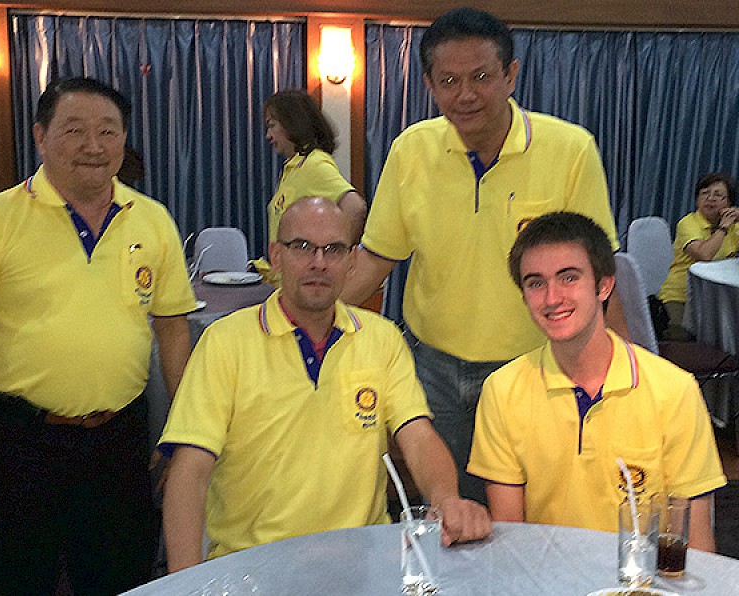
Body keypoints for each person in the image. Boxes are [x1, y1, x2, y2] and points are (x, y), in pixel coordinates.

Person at [341, 7, 619, 504]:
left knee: (535, 506)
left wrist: (623, 375)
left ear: (511, 75)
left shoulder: (569, 149)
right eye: (448, 81)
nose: (465, 94)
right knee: (451, 508)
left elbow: (598, 276)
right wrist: (299, 315)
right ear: (430, 85)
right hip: (434, 369)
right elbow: (375, 260)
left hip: (535, 366)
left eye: (481, 77)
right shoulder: (411, 151)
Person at [0, 77, 196, 594]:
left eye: (108, 131)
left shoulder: (152, 220)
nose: (93, 145)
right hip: (22, 443)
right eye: (74, 129)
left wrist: (183, 440)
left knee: (121, 581)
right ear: (40, 136)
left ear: (124, 139)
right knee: (14, 582)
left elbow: (173, 333)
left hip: (120, 441)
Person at [160, 197, 491, 571]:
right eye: (302, 246)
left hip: (364, 563)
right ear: (276, 256)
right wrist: (182, 584)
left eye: (333, 250)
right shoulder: (224, 343)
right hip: (253, 568)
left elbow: (418, 437)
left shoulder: (381, 338)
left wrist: (445, 499)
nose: (318, 262)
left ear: (351, 262)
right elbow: (191, 471)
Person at [468, 211, 726, 551]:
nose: (552, 298)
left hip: (640, 576)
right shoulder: (502, 390)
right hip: (545, 576)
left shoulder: (674, 390)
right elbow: (512, 541)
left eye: (568, 278)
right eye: (536, 283)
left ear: (604, 286)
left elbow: (696, 546)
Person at [264, 89, 367, 243]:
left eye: (272, 125)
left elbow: (355, 207)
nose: (268, 135)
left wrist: (337, 252)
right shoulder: (293, 168)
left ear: (292, 123)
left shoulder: (314, 164)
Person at [658, 172, 739, 339]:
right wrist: (723, 227)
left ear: (729, 203)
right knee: (684, 340)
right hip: (681, 295)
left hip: (718, 299)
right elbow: (704, 255)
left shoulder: (734, 226)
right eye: (704, 193)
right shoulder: (688, 223)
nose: (710, 198)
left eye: (718, 195)